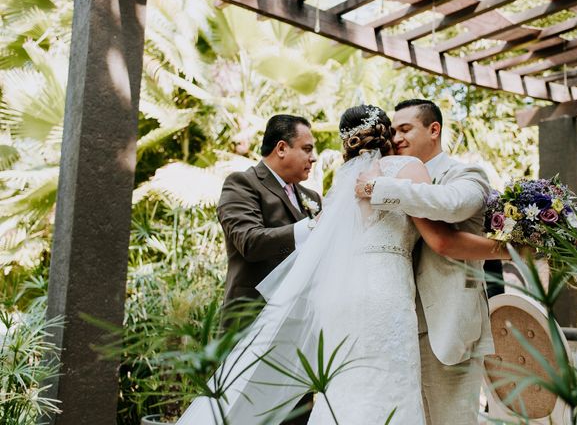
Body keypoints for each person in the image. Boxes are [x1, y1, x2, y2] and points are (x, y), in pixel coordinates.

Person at [177, 105, 510, 425]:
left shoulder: (340, 183)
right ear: (386, 135)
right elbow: (439, 240)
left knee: (347, 389)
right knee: (387, 387)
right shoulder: (408, 170)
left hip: (339, 298)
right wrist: (513, 251)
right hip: (385, 292)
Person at [356, 98, 501, 424]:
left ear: (434, 129)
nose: (396, 139)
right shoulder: (386, 176)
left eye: (405, 129)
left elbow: (451, 206)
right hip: (395, 327)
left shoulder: (466, 173)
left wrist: (380, 187)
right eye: (393, 131)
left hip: (448, 328)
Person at [216, 114, 321, 425]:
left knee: (296, 415)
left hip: (297, 330)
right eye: (307, 148)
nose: (312, 157)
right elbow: (247, 241)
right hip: (253, 323)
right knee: (245, 414)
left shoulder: (312, 198)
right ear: (281, 148)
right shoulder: (242, 183)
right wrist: (311, 228)